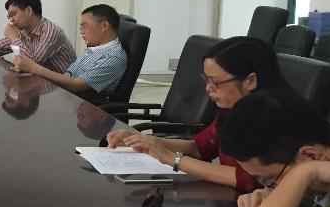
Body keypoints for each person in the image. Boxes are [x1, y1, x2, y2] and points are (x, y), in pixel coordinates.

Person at [106, 36, 287, 190]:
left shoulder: (276, 117)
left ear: (250, 81)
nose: (208, 88)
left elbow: (250, 179)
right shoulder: (232, 110)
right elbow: (199, 148)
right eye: (206, 80)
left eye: (216, 82)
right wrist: (146, 142)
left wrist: (173, 159)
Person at [10, 3, 127, 95]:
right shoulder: (95, 48)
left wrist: (34, 68)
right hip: (64, 95)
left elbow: (76, 85)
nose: (81, 31)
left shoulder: (113, 57)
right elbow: (68, 75)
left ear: (104, 25)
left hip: (84, 107)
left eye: (85, 26)